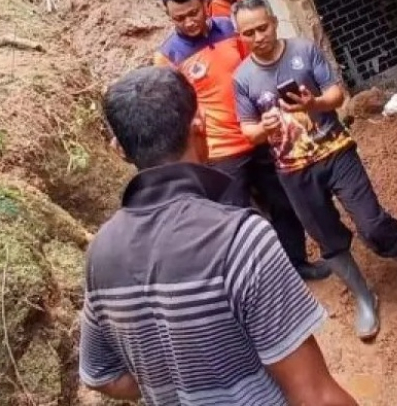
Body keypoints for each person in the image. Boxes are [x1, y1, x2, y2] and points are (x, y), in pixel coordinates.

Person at [79, 66, 358, 406]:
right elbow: (316, 396)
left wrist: (174, 379)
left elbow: (101, 375)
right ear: (200, 123)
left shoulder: (99, 254)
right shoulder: (241, 240)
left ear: (117, 149)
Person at [231, 0, 397, 342]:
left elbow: (336, 95)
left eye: (262, 27)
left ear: (275, 22)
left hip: (336, 151)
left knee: (372, 221)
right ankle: (364, 298)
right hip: (292, 170)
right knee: (327, 238)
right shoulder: (242, 78)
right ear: (239, 36)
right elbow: (247, 130)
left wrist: (314, 103)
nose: (258, 36)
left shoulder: (303, 51)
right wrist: (267, 129)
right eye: (248, 32)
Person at [154, 0, 329, 281]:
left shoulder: (231, 29)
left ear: (206, 4)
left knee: (284, 202)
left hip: (262, 133)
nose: (189, 22)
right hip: (222, 151)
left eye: (194, 13)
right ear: (169, 16)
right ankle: (258, 280)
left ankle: (297, 264)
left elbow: (257, 68)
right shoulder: (167, 56)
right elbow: (173, 105)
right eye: (179, 18)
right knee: (237, 218)